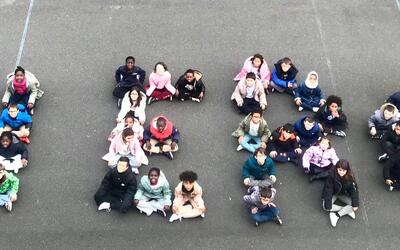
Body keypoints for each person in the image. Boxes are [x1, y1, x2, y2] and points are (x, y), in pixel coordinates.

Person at [322, 160, 359, 228]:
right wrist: (328, 202)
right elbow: (328, 189)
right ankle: (346, 210)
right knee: (325, 206)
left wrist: (355, 204)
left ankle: (336, 215)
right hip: (333, 193)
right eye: (340, 170)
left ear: (347, 170)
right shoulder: (331, 175)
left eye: (344, 171)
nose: (341, 172)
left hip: (343, 194)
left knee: (354, 205)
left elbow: (354, 190)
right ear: (337, 168)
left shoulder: (350, 176)